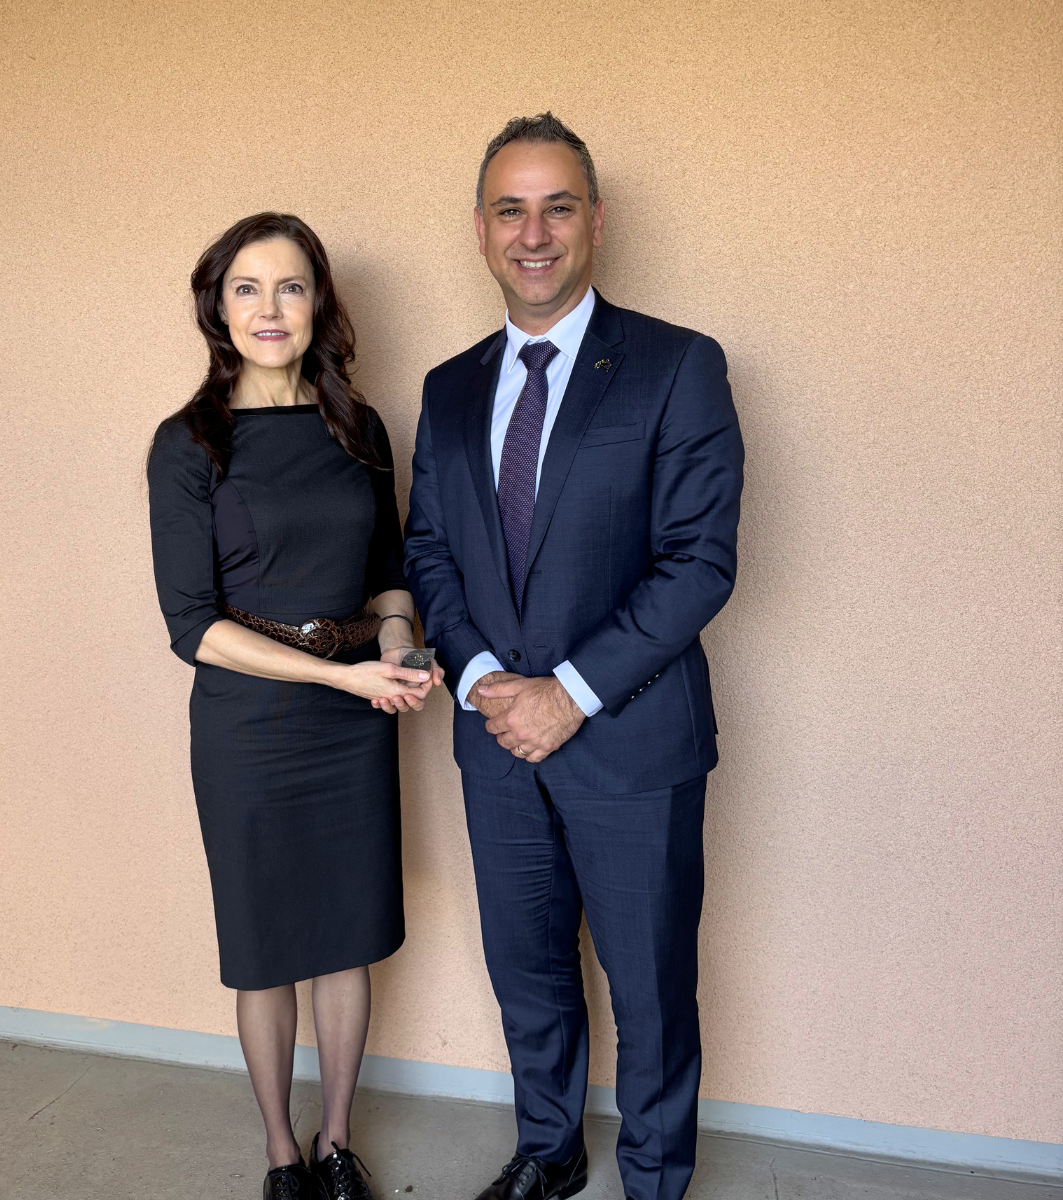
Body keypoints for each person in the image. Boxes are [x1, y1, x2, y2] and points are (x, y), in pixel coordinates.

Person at [404, 115, 744, 1200]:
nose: (533, 232)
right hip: (494, 740)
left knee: (648, 986)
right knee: (529, 974)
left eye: (557, 206)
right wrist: (479, 680)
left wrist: (572, 693)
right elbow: (427, 548)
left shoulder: (677, 366)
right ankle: (548, 1152)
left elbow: (699, 563)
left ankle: (653, 1179)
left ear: (596, 221)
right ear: (480, 230)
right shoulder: (449, 388)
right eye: (511, 209)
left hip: (632, 742)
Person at [148, 212, 443, 1200]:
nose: (268, 310)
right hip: (248, 726)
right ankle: (282, 1153)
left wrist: (398, 649)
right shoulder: (189, 443)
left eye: (289, 287)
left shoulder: (359, 428)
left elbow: (388, 574)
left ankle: (337, 1143)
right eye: (246, 288)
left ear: (320, 305)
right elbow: (193, 625)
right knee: (267, 951)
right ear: (216, 306)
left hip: (352, 720)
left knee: (347, 939)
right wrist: (342, 677)